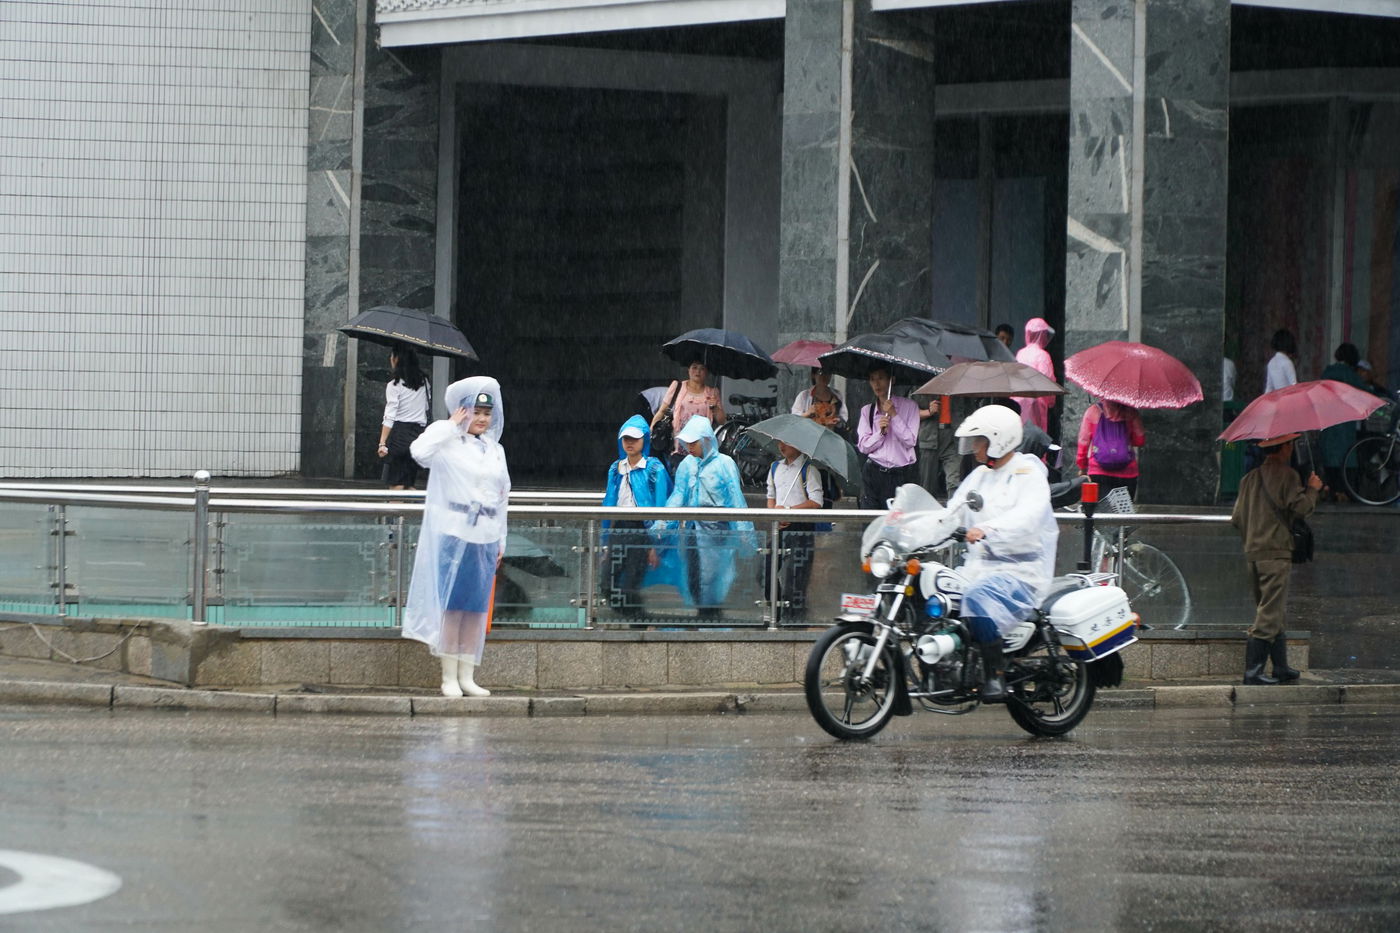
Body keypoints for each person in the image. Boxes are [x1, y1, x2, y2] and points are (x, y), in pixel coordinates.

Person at [402, 377, 509, 698]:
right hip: (455, 531)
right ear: (462, 411)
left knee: (476, 610)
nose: (482, 419)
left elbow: (502, 495)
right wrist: (450, 425)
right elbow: (418, 451)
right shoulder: (447, 441)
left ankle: (467, 675)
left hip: (486, 534)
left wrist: (501, 539)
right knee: (453, 606)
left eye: (487, 413)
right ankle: (448, 675)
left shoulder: (495, 449)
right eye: (475, 411)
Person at [943, 405, 1058, 701]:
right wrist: (920, 526)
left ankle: (995, 676)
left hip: (1019, 572)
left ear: (999, 439)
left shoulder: (1028, 473)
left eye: (979, 440)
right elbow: (952, 510)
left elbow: (1028, 517)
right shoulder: (979, 476)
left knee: (976, 598)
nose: (974, 448)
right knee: (939, 596)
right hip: (978, 567)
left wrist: (988, 529)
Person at [1230, 433, 1322, 685]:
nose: (1292, 449)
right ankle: (1253, 672)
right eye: (1290, 444)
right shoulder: (1288, 475)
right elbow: (1302, 509)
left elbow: (1237, 518)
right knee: (1269, 613)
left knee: (1272, 609)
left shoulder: (1249, 478)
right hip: (1276, 552)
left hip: (1253, 553)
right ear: (1283, 448)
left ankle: (1280, 667)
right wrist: (1312, 490)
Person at [660, 415, 752, 619]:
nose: (689, 447)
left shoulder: (725, 464)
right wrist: (663, 522)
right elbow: (678, 494)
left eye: (694, 442)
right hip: (692, 527)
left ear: (706, 440)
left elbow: (735, 498)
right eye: (687, 442)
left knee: (714, 575)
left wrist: (746, 533)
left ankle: (712, 614)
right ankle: (702, 613)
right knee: (692, 572)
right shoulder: (686, 464)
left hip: (717, 529)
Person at [601, 415, 673, 618]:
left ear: (645, 440)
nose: (629, 443)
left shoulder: (654, 468)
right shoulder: (616, 469)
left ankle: (640, 623)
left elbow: (661, 506)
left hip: (643, 530)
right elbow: (608, 502)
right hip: (619, 529)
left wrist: (655, 545)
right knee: (607, 583)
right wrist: (605, 541)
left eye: (635, 438)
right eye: (626, 439)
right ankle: (641, 619)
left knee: (632, 584)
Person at [763, 440, 824, 620]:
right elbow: (771, 496)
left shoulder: (809, 470)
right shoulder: (775, 467)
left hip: (801, 527)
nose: (782, 446)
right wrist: (775, 513)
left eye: (788, 443)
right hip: (779, 526)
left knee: (797, 575)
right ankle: (776, 609)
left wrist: (789, 511)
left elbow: (816, 501)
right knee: (767, 569)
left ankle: (795, 616)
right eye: (780, 442)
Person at [856, 366, 919, 509]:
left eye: (881, 378)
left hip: (900, 474)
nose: (877, 384)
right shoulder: (868, 411)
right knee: (870, 520)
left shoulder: (910, 407)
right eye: (872, 379)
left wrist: (894, 415)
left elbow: (910, 441)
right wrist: (880, 433)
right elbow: (863, 446)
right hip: (873, 472)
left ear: (892, 380)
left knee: (897, 523)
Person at [651, 359, 726, 474]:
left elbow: (721, 421)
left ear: (707, 372)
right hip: (678, 446)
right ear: (688, 370)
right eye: (694, 367)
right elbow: (662, 411)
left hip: (702, 449)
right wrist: (651, 430)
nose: (698, 371)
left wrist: (715, 407)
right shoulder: (677, 387)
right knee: (680, 480)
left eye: (702, 368)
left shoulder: (712, 392)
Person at [376, 345, 430, 490]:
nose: (390, 359)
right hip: (418, 434)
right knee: (408, 481)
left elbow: (390, 415)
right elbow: (425, 407)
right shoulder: (424, 382)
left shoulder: (394, 385)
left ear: (397, 359)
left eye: (392, 356)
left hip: (401, 433)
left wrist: (382, 443)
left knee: (396, 483)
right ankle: (419, 508)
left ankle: (395, 512)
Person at [1319, 342, 1366, 502]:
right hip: (1345, 426)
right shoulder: (1350, 375)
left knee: (1330, 462)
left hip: (1327, 425)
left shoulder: (1327, 372)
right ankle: (1343, 495)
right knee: (1346, 461)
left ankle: (1331, 491)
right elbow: (1365, 392)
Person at [1075, 398, 1146, 501]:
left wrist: (1082, 467)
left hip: (1098, 471)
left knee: (1101, 512)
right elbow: (1140, 441)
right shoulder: (1131, 412)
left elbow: (1083, 442)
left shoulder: (1092, 411)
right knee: (1123, 511)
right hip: (1127, 472)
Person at [1011, 318, 1057, 432]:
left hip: (1018, 400)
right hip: (1036, 403)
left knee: (1019, 435)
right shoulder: (1043, 355)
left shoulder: (1020, 353)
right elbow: (1047, 381)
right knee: (1035, 438)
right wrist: (1051, 400)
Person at [913, 391, 960, 499]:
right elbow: (909, 415)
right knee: (927, 485)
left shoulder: (958, 384)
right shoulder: (924, 386)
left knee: (954, 481)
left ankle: (954, 510)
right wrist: (928, 411)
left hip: (953, 438)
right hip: (929, 437)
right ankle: (928, 513)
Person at [791, 367, 846, 433]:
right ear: (813, 375)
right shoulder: (804, 396)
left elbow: (844, 417)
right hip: (809, 435)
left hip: (830, 437)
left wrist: (838, 421)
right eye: (821, 372)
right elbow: (793, 419)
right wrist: (807, 413)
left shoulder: (837, 395)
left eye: (828, 373)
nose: (825, 376)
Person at [1264, 328, 1298, 393]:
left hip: (1278, 399)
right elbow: (1294, 385)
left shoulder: (1271, 363)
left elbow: (1269, 387)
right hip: (1288, 397)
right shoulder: (1287, 363)